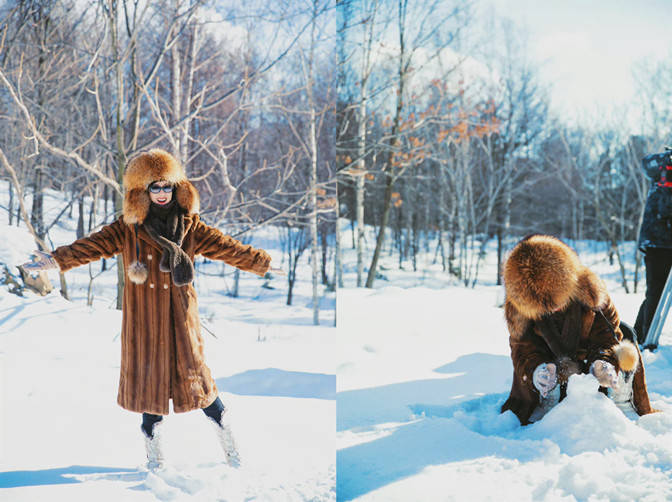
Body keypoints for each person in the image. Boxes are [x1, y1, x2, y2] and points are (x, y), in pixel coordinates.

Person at [22, 149, 276, 469]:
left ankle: (232, 452)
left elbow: (226, 246)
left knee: (201, 386)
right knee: (149, 391)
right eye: (153, 187)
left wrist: (261, 262)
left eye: (165, 186)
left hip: (181, 320)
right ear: (142, 190)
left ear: (175, 187)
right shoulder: (128, 229)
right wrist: (55, 260)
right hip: (144, 324)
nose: (160, 193)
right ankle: (155, 463)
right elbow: (91, 246)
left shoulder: (191, 226)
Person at [500, 234, 654, 425]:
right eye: (545, 307)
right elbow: (522, 349)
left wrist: (602, 362)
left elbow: (608, 336)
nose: (554, 308)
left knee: (626, 335)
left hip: (590, 368)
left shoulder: (590, 291)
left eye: (558, 299)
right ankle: (545, 398)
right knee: (534, 375)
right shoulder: (520, 308)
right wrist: (537, 371)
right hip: (551, 368)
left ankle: (622, 397)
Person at [634, 149, 672, 348]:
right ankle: (645, 341)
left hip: (662, 239)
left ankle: (636, 334)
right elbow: (646, 163)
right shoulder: (661, 164)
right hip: (657, 241)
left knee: (655, 293)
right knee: (656, 291)